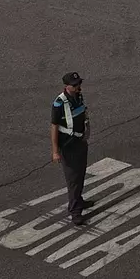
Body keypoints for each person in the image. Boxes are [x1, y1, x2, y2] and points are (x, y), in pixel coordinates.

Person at [51, 72, 90, 226]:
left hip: (80, 142)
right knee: (73, 179)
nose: (78, 86)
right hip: (68, 146)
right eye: (75, 85)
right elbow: (54, 127)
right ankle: (75, 212)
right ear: (66, 86)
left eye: (79, 83)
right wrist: (55, 151)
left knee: (81, 174)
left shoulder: (78, 96)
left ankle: (79, 200)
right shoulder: (59, 103)